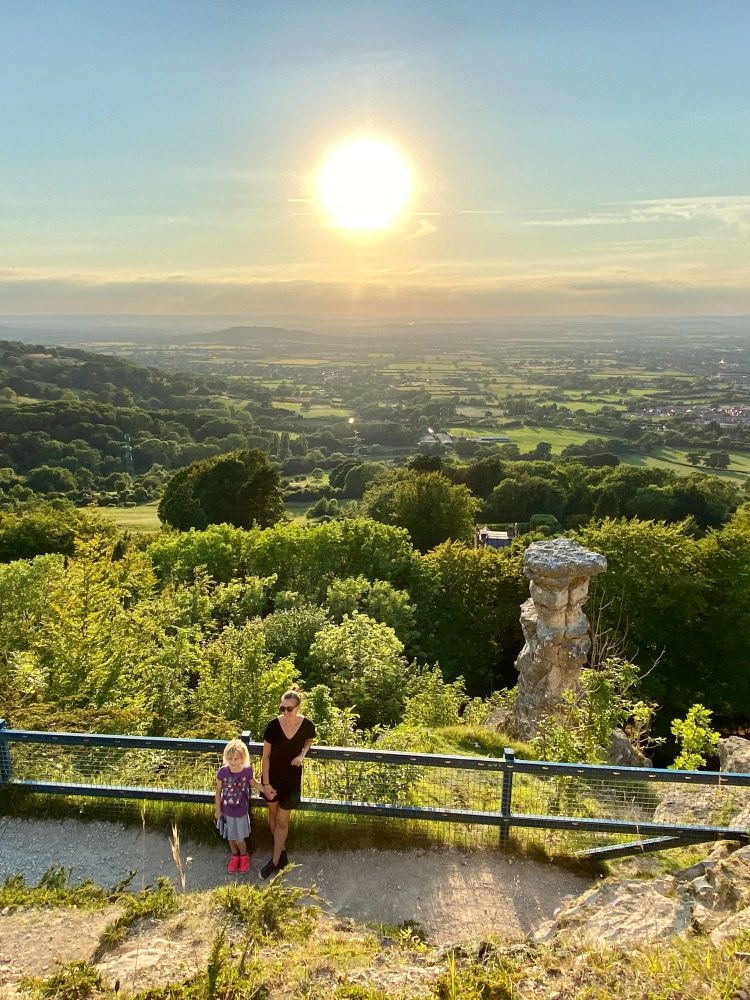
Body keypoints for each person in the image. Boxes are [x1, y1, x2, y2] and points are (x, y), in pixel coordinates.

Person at [259, 690, 316, 880]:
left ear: (298, 708)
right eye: (282, 707)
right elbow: (265, 757)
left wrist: (302, 754)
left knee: (282, 821)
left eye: (289, 708)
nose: (285, 711)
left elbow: (309, 740)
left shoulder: (307, 725)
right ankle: (281, 852)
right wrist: (265, 784)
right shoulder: (273, 726)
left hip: (291, 780)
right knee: (273, 816)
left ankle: (274, 862)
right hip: (272, 778)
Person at [215, 738, 267, 874]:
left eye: (236, 759)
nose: (233, 762)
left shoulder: (247, 771)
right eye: (230, 759)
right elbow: (218, 791)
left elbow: (255, 783)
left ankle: (243, 855)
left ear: (243, 758)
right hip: (227, 810)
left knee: (239, 838)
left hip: (241, 811)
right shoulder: (222, 772)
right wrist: (217, 810)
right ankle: (234, 856)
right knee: (231, 837)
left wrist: (267, 790)